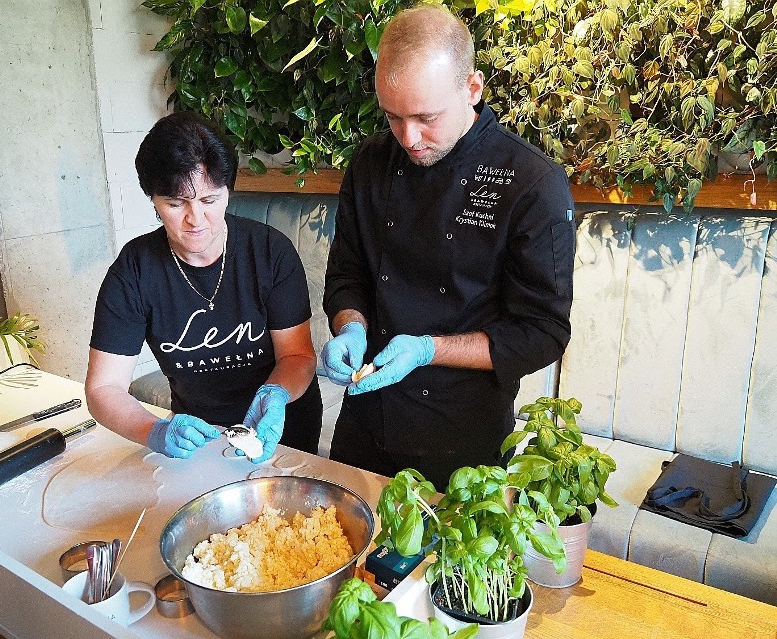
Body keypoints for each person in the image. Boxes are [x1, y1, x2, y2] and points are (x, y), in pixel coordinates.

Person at [321, 3, 575, 489]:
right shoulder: (372, 163)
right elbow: (347, 274)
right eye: (393, 117)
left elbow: (541, 332)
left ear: (472, 88)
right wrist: (349, 327)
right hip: (363, 423)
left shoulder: (531, 183)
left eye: (425, 117)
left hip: (462, 441)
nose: (409, 138)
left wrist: (427, 349)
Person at [85, 112, 322, 463]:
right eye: (175, 203)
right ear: (153, 199)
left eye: (209, 201)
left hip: (284, 426)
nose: (195, 220)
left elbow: (298, 356)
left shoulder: (270, 252)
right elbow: (103, 387)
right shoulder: (134, 270)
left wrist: (274, 394)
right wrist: (153, 431)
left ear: (228, 191)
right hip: (198, 437)